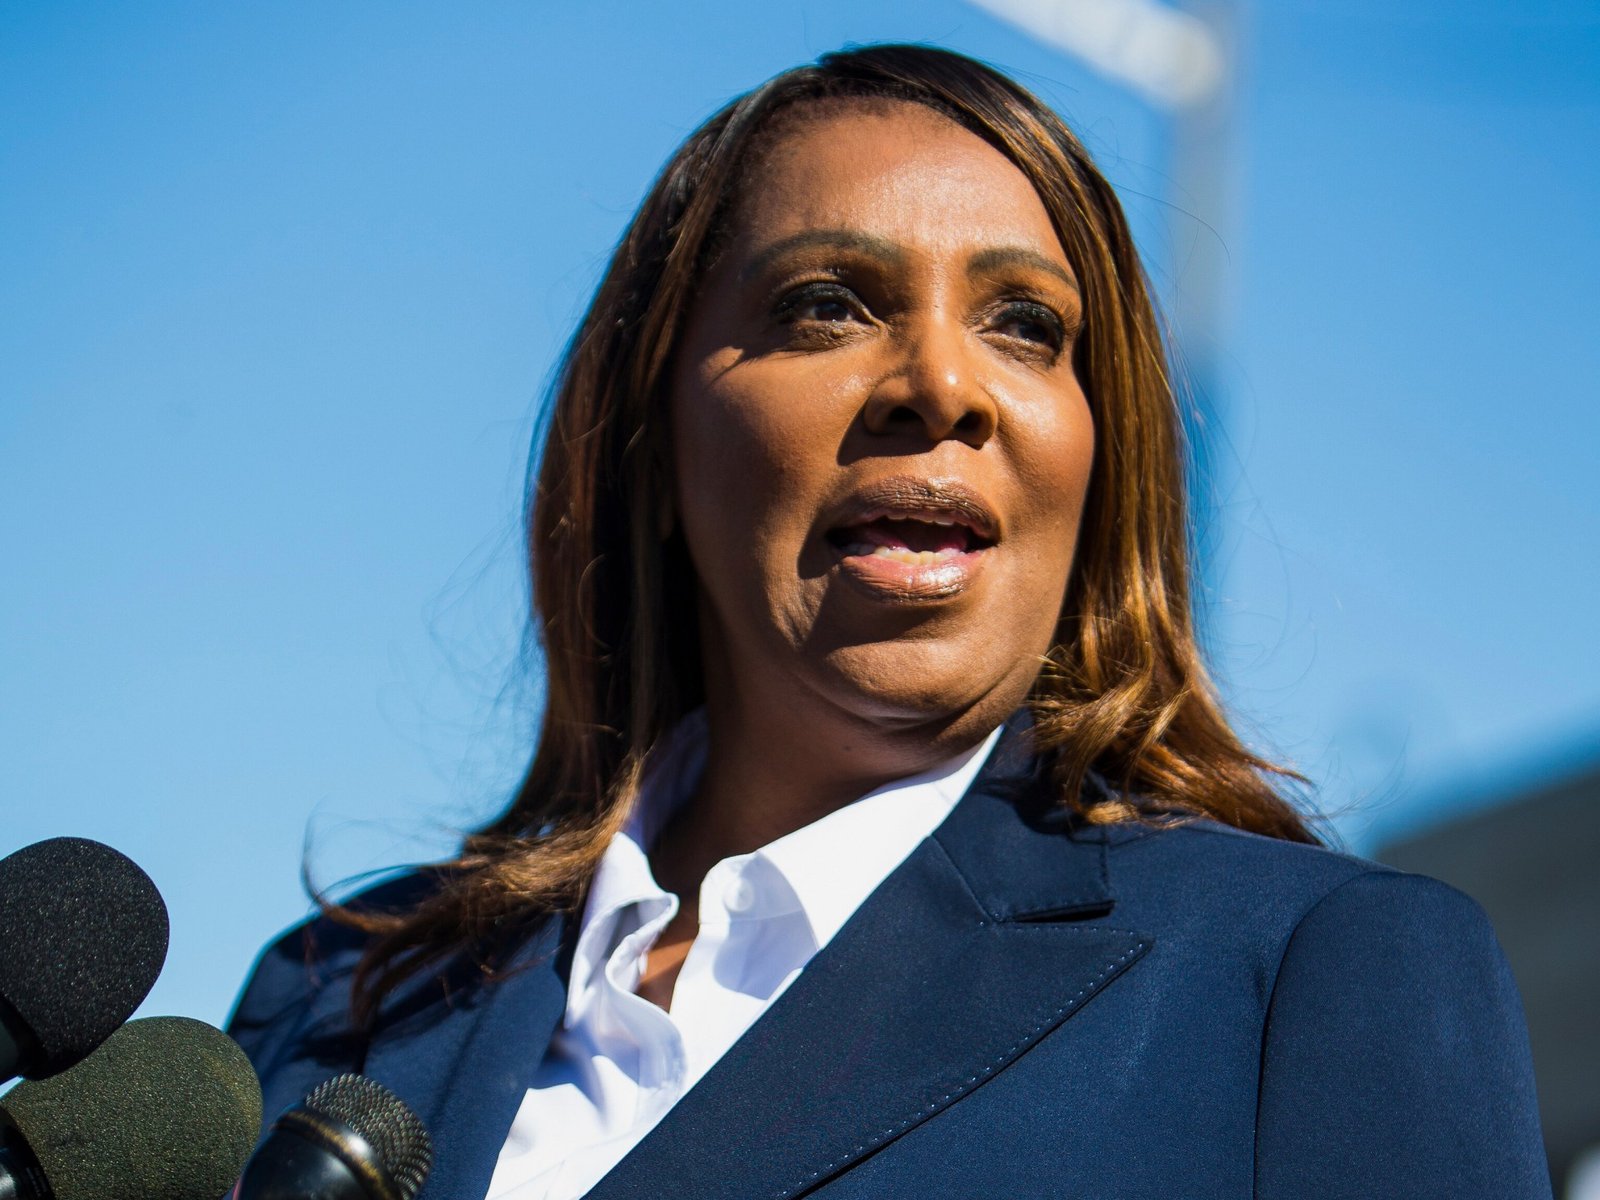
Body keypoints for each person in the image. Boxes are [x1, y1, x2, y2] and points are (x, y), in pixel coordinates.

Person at [227, 44, 1551, 1199]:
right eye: (827, 305)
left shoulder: (1316, 975)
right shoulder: (341, 995)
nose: (942, 382)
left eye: (1025, 325)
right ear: (655, 440)